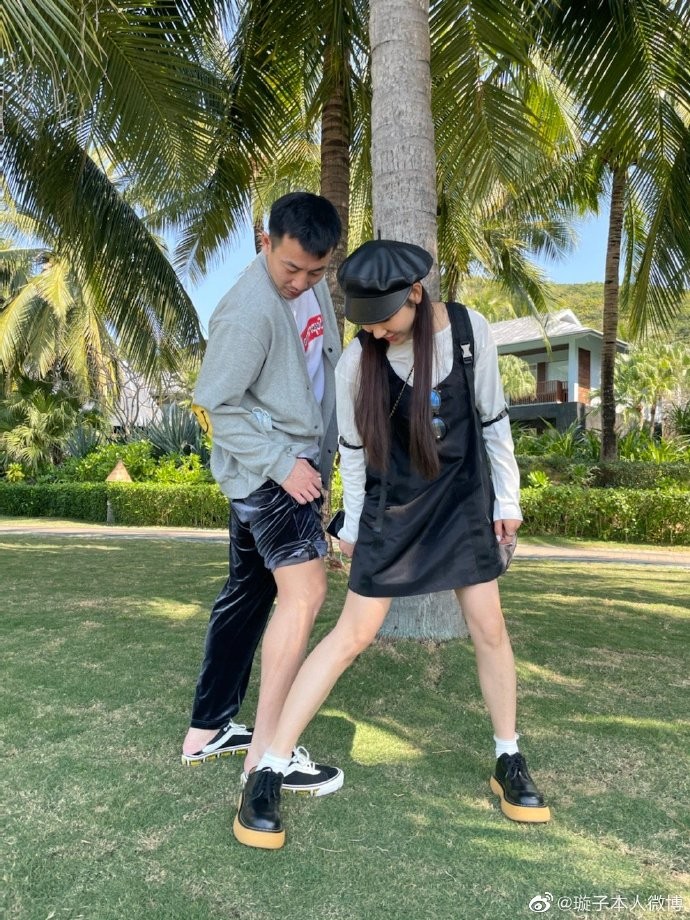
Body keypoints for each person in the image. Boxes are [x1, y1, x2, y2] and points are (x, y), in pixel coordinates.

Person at [232, 239, 551, 849]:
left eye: (384, 320)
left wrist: (506, 501)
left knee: (490, 628)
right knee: (351, 636)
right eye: (367, 323)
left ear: (415, 293)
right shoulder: (358, 362)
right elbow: (353, 454)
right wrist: (353, 526)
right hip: (390, 512)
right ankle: (267, 769)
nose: (376, 333)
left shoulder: (468, 333)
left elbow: (492, 421)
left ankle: (508, 758)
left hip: (461, 503)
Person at [181, 191, 345, 798]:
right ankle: (268, 755)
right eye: (290, 268)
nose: (300, 282)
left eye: (315, 272)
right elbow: (216, 405)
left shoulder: (313, 287)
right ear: (265, 242)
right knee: (306, 595)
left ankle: (207, 729)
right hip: (274, 471)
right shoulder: (246, 312)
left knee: (247, 595)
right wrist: (285, 465)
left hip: (289, 464)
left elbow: (322, 367)